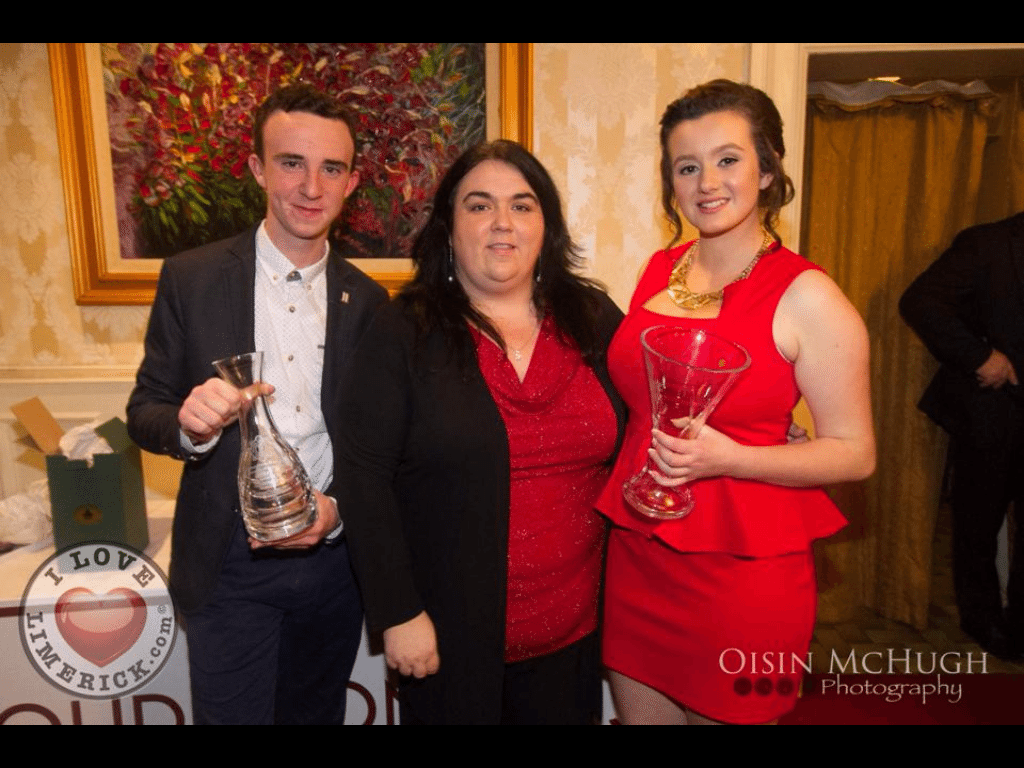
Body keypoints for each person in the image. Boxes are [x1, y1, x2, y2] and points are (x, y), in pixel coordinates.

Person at [596, 79, 875, 724]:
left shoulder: (809, 296)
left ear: (767, 170)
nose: (707, 183)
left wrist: (735, 457)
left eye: (727, 159)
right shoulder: (657, 270)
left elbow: (856, 454)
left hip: (743, 578)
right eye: (686, 166)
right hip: (639, 554)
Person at [336, 140, 626, 724]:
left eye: (522, 205)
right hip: (446, 642)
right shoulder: (402, 330)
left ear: (547, 226)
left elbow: (656, 411)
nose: (502, 222)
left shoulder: (594, 318)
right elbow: (363, 477)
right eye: (479, 205)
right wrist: (398, 611)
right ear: (448, 227)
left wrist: (762, 429)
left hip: (576, 637)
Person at [127, 83, 387, 724]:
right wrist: (189, 426)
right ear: (257, 168)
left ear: (352, 183)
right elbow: (145, 409)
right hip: (229, 565)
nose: (311, 187)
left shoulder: (370, 302)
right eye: (291, 163)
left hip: (333, 566)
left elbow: (382, 445)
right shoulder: (192, 277)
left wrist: (339, 512)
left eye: (332, 168)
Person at [900, 212, 1024, 660]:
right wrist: (980, 357)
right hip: (995, 411)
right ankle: (982, 621)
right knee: (978, 524)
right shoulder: (988, 243)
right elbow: (921, 301)